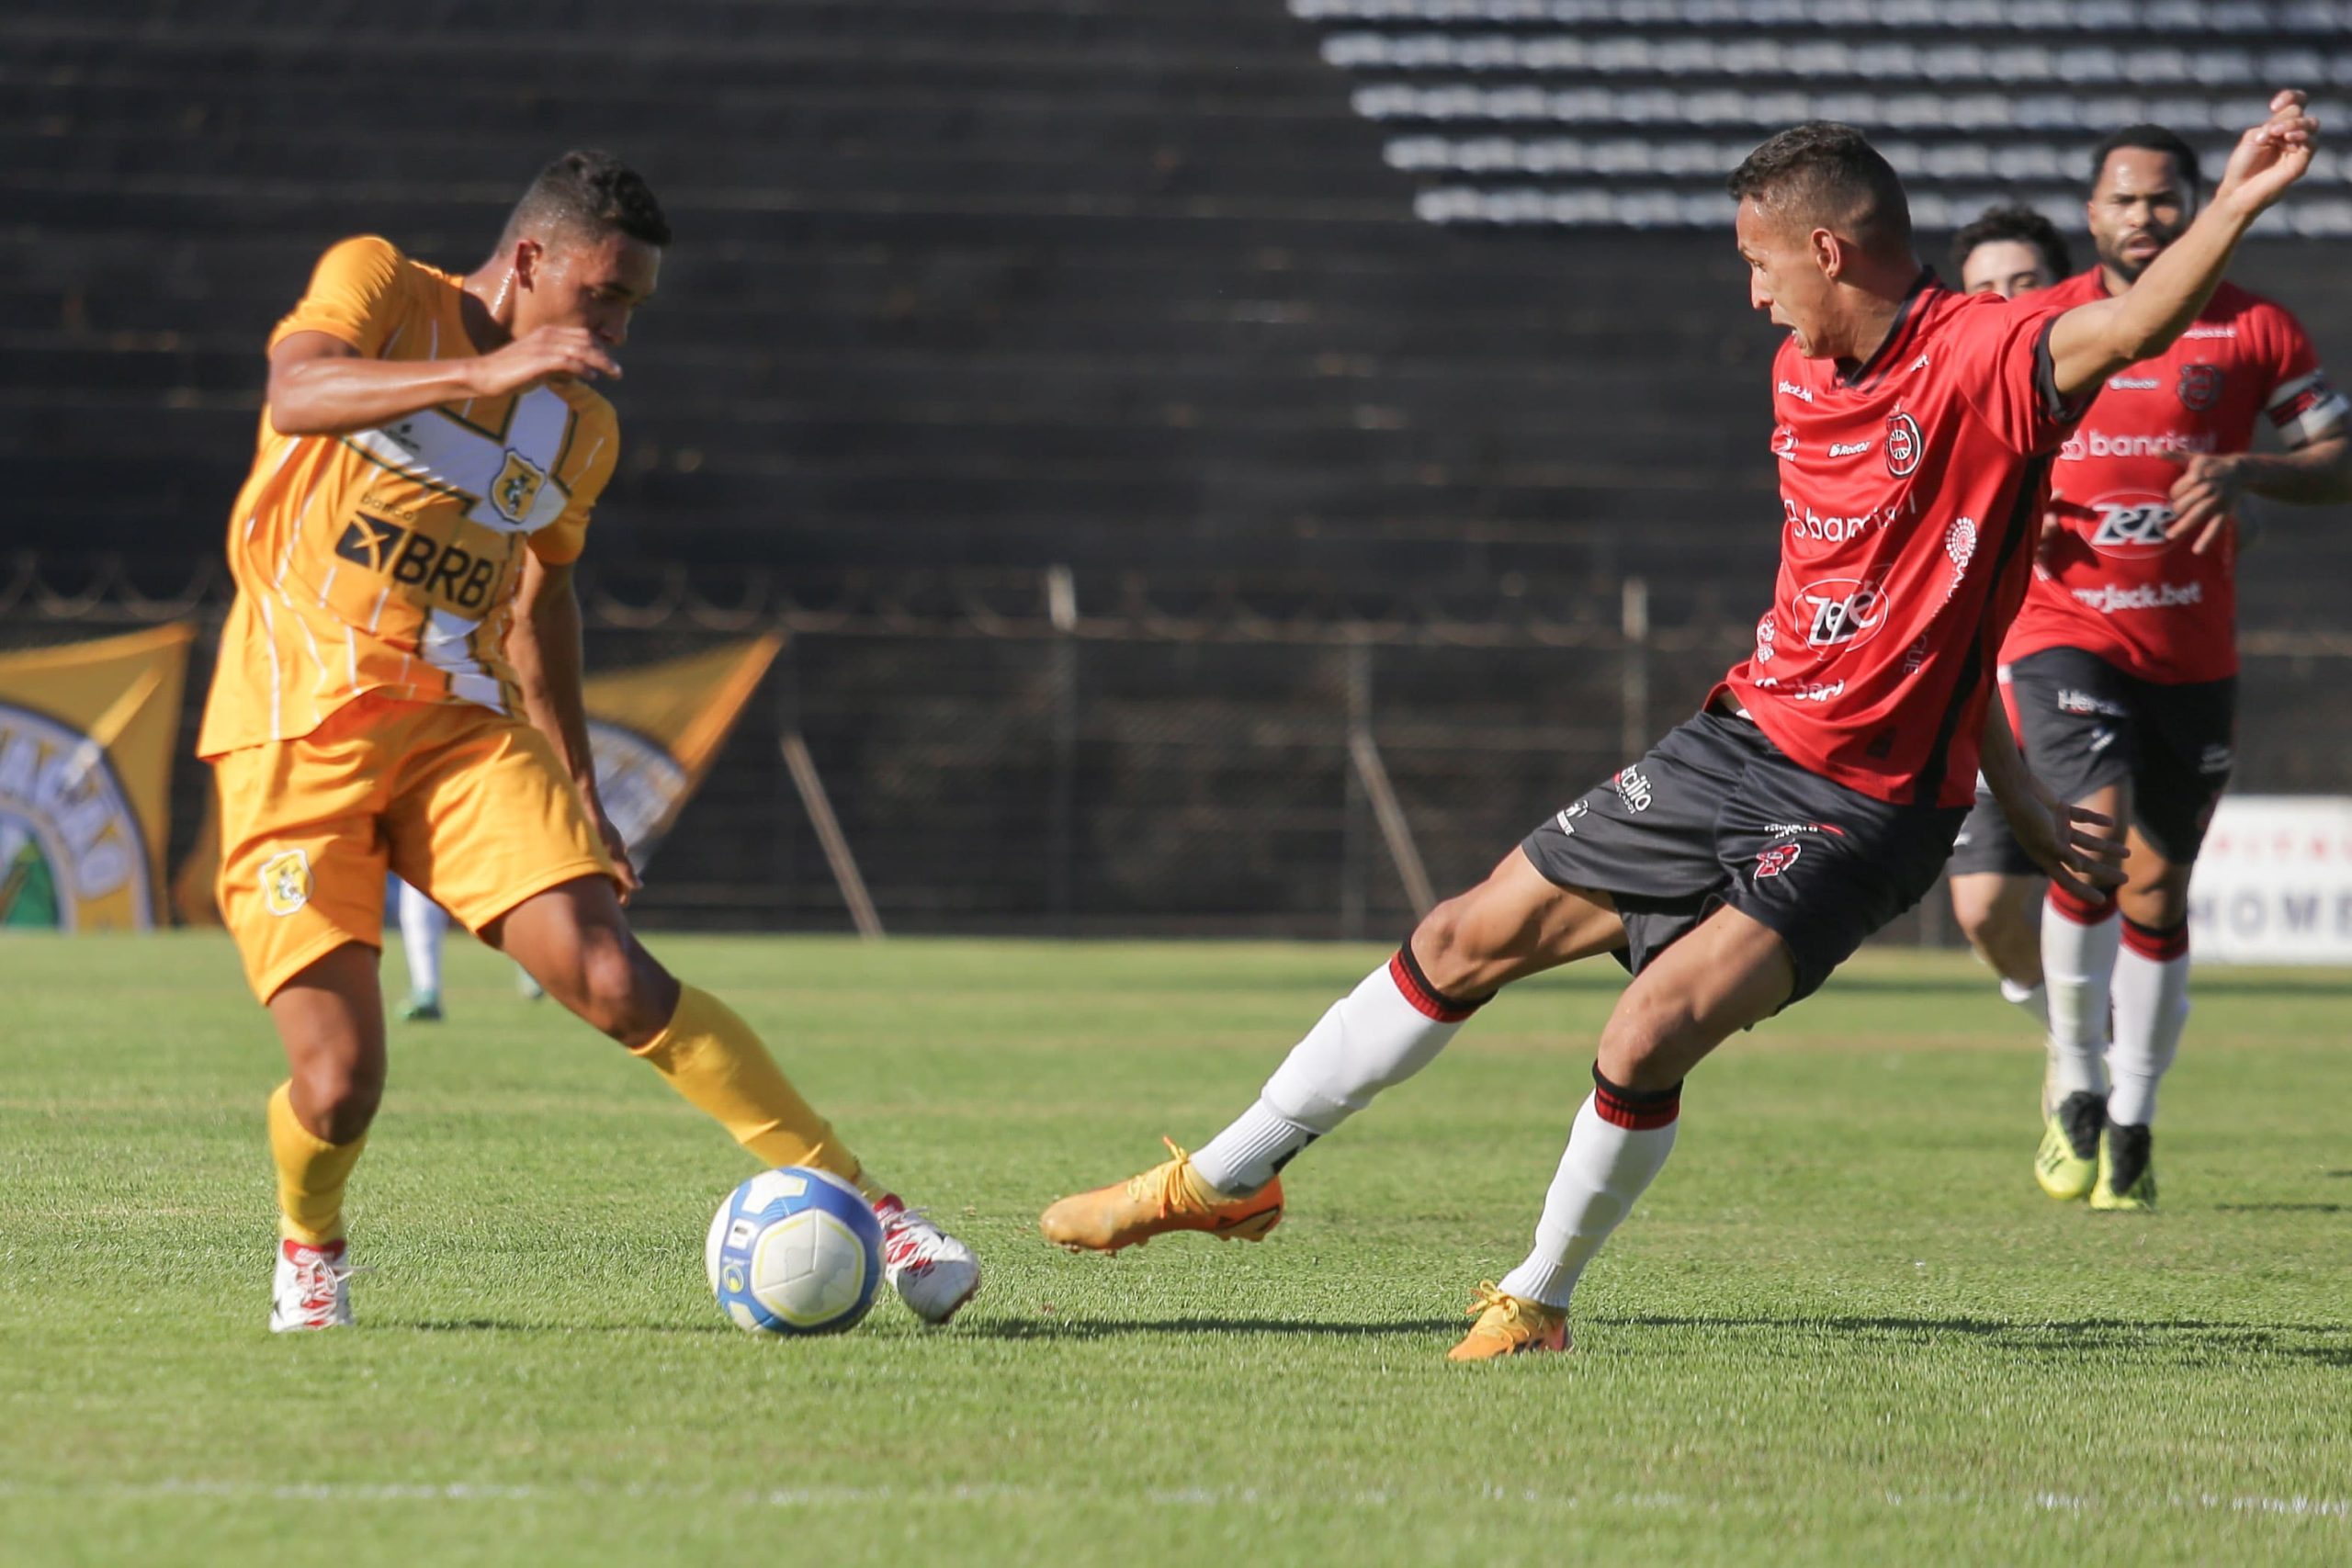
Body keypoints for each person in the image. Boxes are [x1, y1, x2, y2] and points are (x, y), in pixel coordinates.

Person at [1039, 95, 2317, 1360]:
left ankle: (1536, 1297)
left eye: (1760, 264)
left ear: (1828, 250)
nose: (1753, 296)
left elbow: (2138, 318)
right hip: (1738, 741)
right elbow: (1908, 615)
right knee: (1458, 933)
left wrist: (2239, 199)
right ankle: (1223, 1177)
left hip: (1866, 812)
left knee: (1644, 1032)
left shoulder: (1985, 355)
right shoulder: (1796, 369)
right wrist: (2027, 799)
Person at [197, 150, 978, 1332]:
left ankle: (876, 1209)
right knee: (340, 1081)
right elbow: (297, 394)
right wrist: (489, 366)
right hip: (289, 729)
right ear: (529, 259)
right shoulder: (380, 285)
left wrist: (580, 785)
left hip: (460, 731)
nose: (618, 322)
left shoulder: (579, 430)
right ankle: (310, 1244)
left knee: (615, 977)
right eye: (603, 294)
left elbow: (541, 601)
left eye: (635, 305)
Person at [1942, 128, 2352, 1213]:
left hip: (2190, 649)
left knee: (2159, 892)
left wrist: (2249, 473)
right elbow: (1964, 439)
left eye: (2162, 200)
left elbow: (2337, 457)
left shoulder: (2256, 327)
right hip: (2062, 630)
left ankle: (2130, 1117)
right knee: (2100, 845)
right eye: (2122, 199)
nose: (2142, 217)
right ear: (2089, 213)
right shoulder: (2054, 320)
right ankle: (2073, 1080)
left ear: (2194, 205)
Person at [1941, 204, 2075, 1027]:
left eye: (2024, 283)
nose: (2005, 300)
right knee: (1983, 909)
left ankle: (2108, 1085)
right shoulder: (1956, 400)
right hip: (1992, 684)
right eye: (1983, 288)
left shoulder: (2122, 386)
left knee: (2115, 889)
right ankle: (2074, 1033)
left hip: (2100, 674)